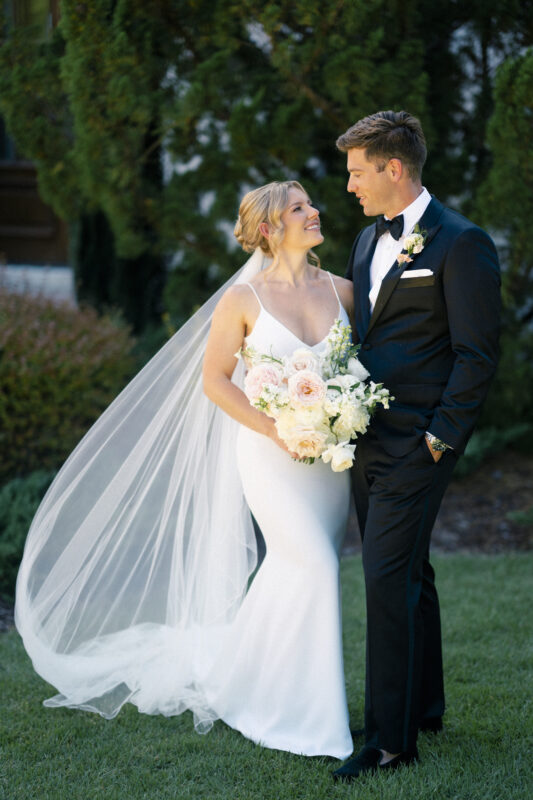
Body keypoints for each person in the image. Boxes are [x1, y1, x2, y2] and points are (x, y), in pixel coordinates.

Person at [15, 180, 355, 759]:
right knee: (315, 563)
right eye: (299, 207)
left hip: (328, 462)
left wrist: (344, 412)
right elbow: (215, 381)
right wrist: (277, 428)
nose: (314, 210)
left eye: (309, 203)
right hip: (269, 456)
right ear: (270, 228)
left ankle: (250, 679)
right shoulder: (242, 300)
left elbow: (362, 367)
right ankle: (314, 722)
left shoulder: (345, 291)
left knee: (295, 572)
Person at [332, 110, 501, 782]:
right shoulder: (364, 240)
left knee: (382, 579)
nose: (348, 186)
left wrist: (439, 439)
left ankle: (388, 741)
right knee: (408, 574)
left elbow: (476, 354)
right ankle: (421, 705)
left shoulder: (461, 244)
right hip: (364, 437)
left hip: (419, 444)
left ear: (392, 169)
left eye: (356, 172)